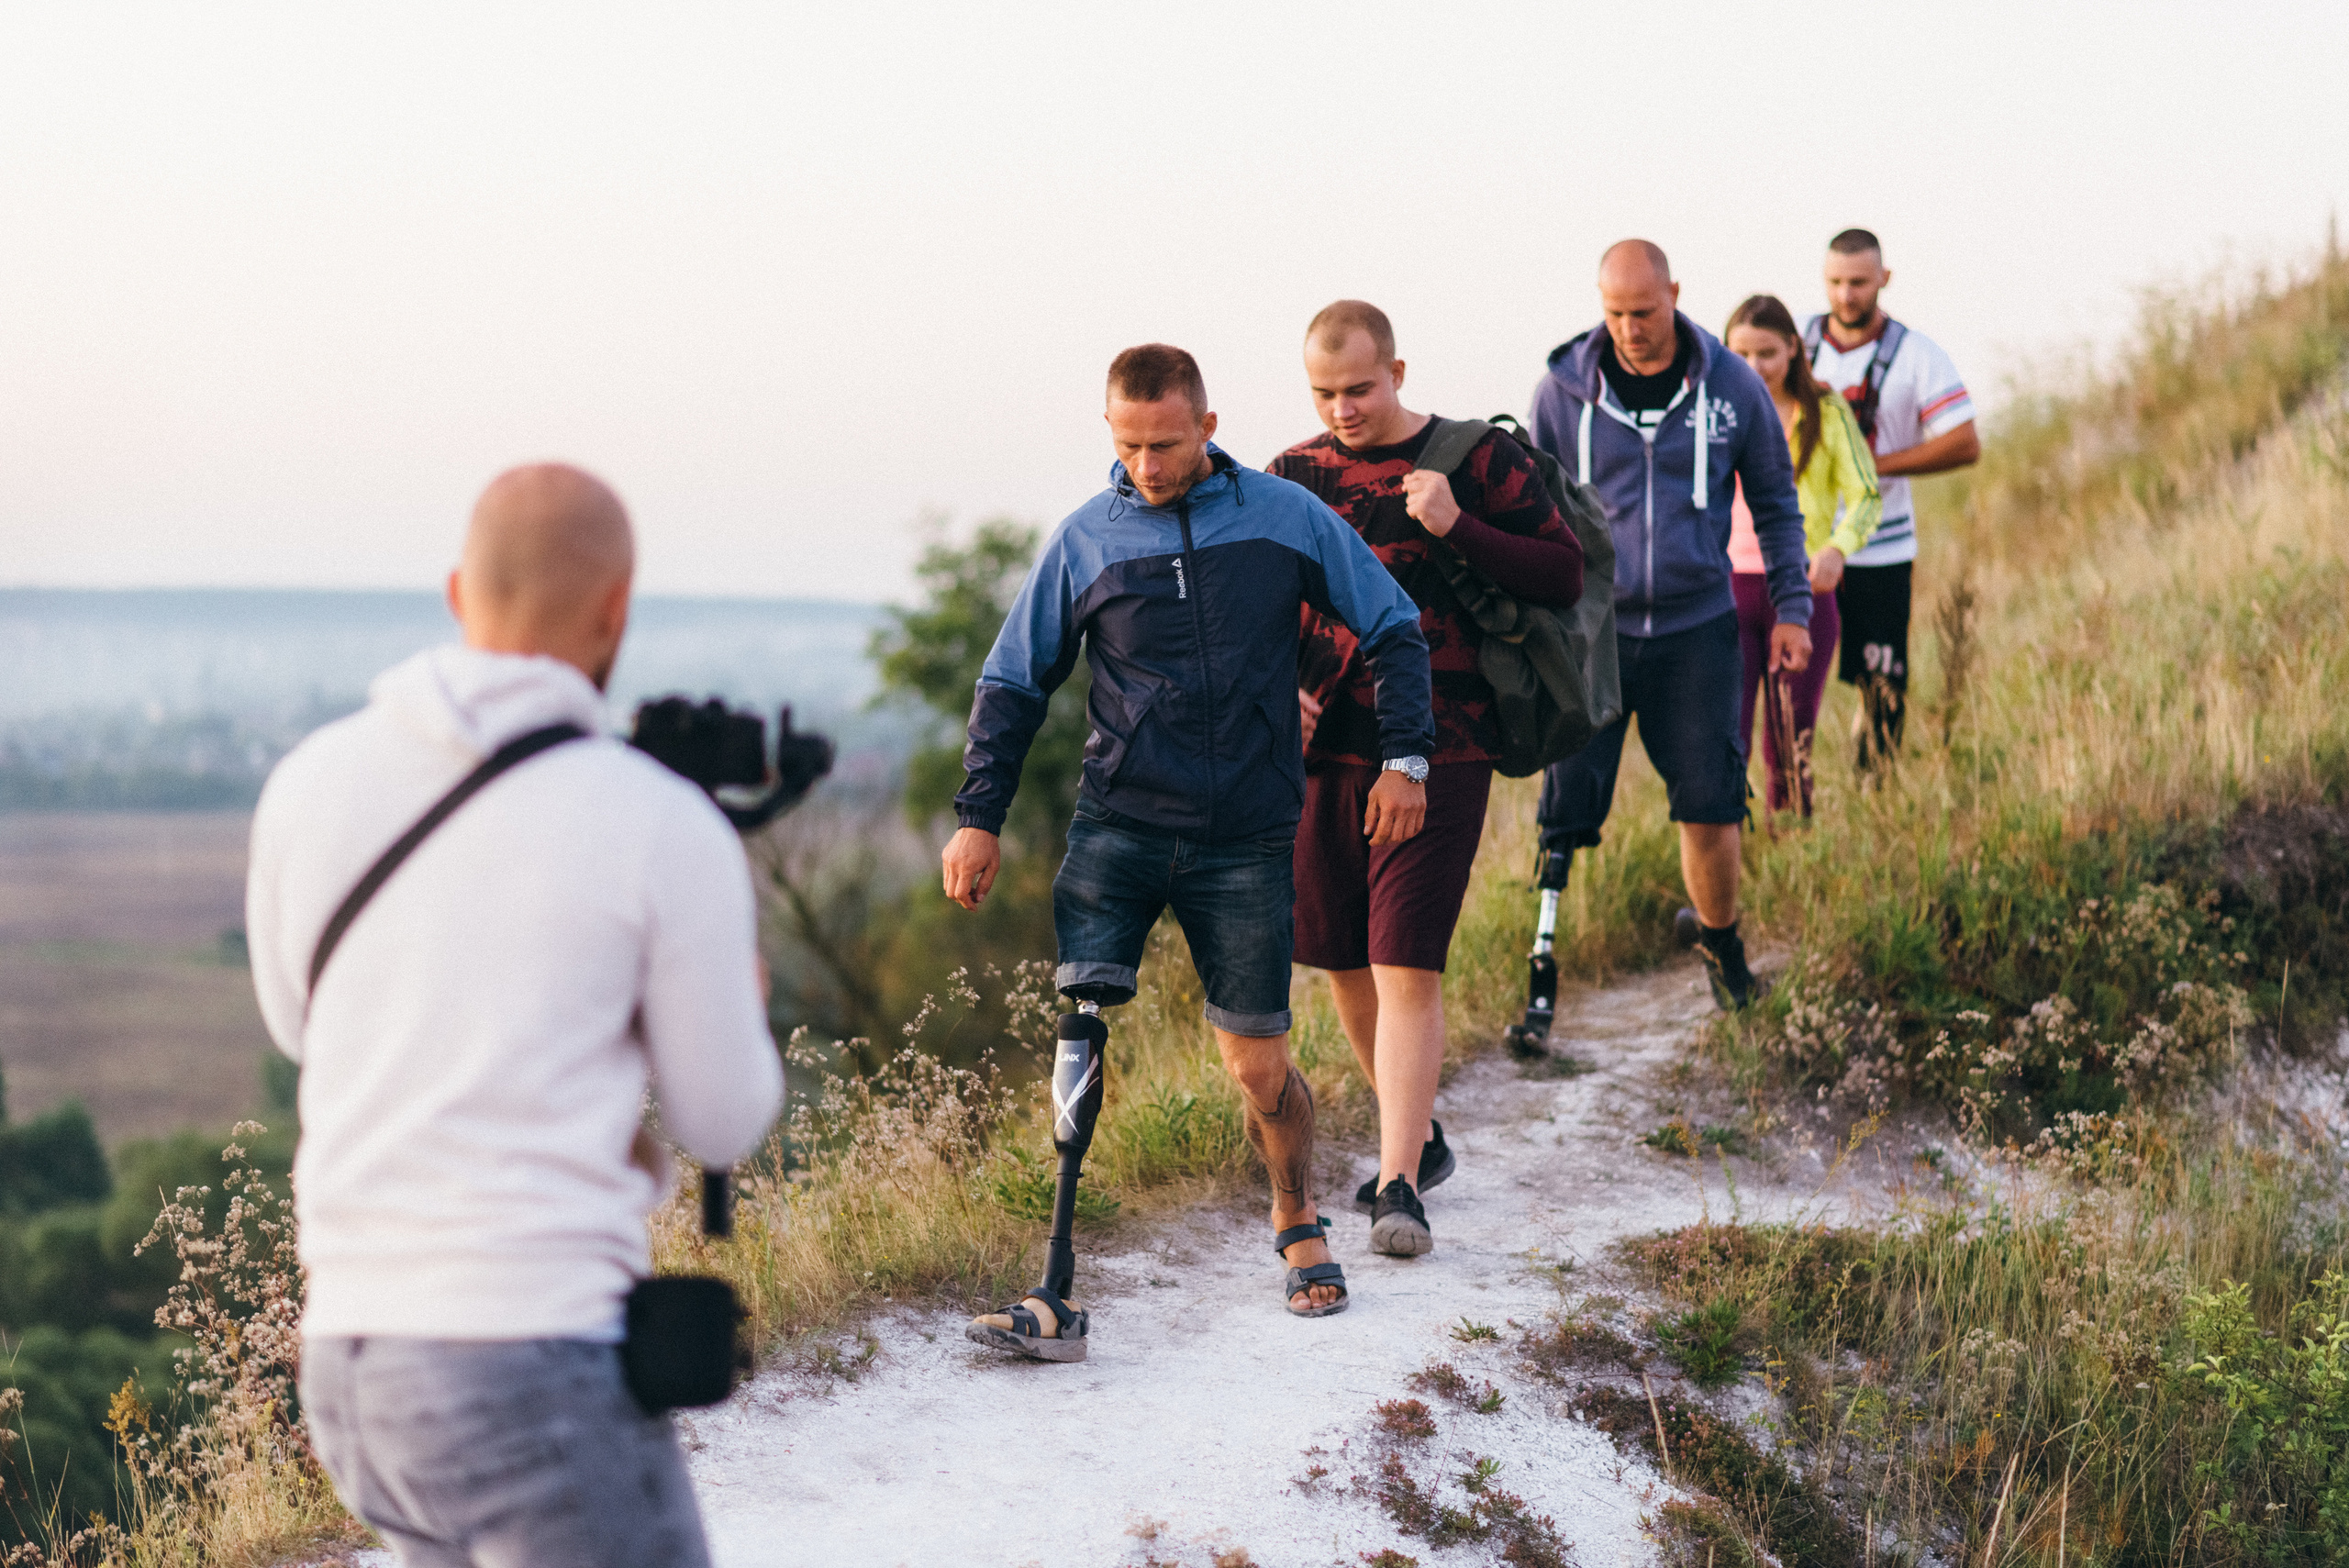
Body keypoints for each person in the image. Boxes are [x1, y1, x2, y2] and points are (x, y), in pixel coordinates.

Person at [247, 464, 781, 1568]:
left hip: (349, 1366)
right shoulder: (657, 821)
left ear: (457, 591)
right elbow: (724, 1118)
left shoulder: (308, 780)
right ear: (616, 609)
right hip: (527, 1356)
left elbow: (308, 1030)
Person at [944, 343, 1434, 1353]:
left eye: (1165, 444)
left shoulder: (1284, 518)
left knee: (1259, 1068)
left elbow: (1393, 626)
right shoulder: (1086, 538)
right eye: (1127, 445)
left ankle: (1296, 1216)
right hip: (1117, 823)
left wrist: (1407, 761)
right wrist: (977, 814)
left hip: (1246, 835)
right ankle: (1054, 1285)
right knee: (1079, 1032)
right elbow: (1011, 681)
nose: (1148, 465)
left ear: (1207, 427)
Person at [1269, 300, 1583, 1257]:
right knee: (1343, 959)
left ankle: (1398, 1179)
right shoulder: (1289, 476)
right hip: (1326, 752)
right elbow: (1259, 607)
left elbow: (1561, 574)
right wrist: (1279, 689)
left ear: (1397, 370)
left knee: (1406, 955)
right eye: (1324, 392)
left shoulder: (1477, 461)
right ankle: (1424, 1133)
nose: (1343, 408)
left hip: (1444, 744)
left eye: (1358, 388)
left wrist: (1458, 527)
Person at [1528, 240, 1812, 1010]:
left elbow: (1779, 509)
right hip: (1597, 632)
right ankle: (1540, 969)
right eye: (1614, 312)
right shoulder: (1560, 392)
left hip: (1698, 626)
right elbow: (1533, 512)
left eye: (1644, 311)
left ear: (1675, 295)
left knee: (1712, 801)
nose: (1629, 328)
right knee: (1567, 800)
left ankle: (1724, 952)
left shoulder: (1734, 386)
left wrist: (1792, 610)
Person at [1806, 228, 1979, 773]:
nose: (1845, 295)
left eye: (1858, 282)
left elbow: (1964, 441)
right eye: (1835, 282)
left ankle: (1874, 792)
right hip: (1802, 541)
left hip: (1881, 546)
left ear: (1884, 279)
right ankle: (1792, 792)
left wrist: (1870, 469)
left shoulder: (1916, 355)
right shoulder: (1795, 346)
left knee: (1882, 680)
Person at [1723, 293, 1882, 816]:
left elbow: (1865, 494)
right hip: (1725, 590)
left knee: (1788, 738)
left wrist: (1838, 548)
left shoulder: (1828, 411)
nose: (1754, 367)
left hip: (1800, 591)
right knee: (1726, 737)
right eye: (1740, 355)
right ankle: (1727, 862)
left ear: (1793, 348)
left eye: (1766, 353)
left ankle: (1789, 854)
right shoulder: (1714, 414)